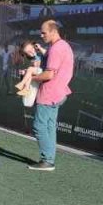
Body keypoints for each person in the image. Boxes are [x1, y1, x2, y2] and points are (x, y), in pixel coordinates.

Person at [29, 19, 75, 171]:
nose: (41, 35)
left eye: (44, 32)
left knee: (39, 126)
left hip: (49, 93)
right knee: (49, 127)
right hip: (59, 93)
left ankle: (47, 160)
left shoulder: (56, 49)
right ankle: (49, 159)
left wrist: (31, 77)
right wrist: (42, 52)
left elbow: (48, 74)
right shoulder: (63, 46)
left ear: (54, 31)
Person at [14, 39, 44, 105]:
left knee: (30, 69)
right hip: (39, 75)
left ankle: (22, 84)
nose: (31, 52)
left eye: (31, 49)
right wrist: (25, 72)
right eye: (28, 52)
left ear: (34, 46)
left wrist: (40, 48)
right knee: (29, 70)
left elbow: (45, 58)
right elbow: (35, 69)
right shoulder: (33, 59)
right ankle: (26, 89)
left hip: (44, 72)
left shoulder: (40, 53)